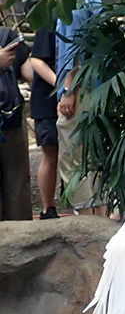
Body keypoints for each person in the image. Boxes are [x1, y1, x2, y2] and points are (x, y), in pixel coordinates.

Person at [55, 0, 105, 216]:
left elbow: (74, 46)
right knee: (92, 157)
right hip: (97, 89)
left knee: (73, 160)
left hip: (81, 89)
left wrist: (67, 90)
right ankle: (99, 224)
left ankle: (85, 228)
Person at [0, 27, 33, 221]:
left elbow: (28, 72)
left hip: (11, 121)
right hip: (11, 118)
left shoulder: (7, 36)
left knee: (18, 185)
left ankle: (21, 243)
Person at [29, 23, 60, 219]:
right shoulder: (51, 19)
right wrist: (62, 84)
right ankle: (47, 208)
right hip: (47, 97)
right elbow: (36, 60)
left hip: (73, 93)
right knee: (50, 151)